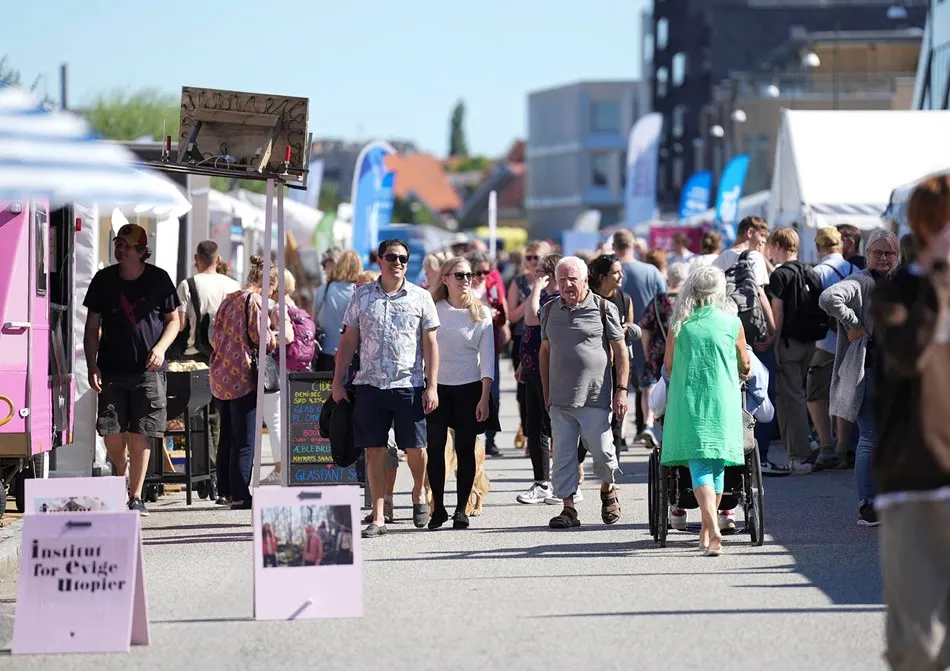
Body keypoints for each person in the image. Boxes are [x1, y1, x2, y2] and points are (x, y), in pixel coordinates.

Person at [871, 175, 950, 671]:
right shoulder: (898, 292)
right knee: (919, 649)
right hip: (916, 478)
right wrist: (937, 276)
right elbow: (907, 356)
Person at [333, 239, 440, 538]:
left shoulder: (421, 297)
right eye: (391, 257)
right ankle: (378, 515)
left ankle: (418, 492)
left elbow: (431, 345)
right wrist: (337, 380)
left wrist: (432, 386)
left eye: (403, 258)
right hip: (370, 384)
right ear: (379, 260)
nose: (398, 263)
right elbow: (348, 341)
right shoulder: (362, 296)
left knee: (416, 449)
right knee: (374, 451)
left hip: (409, 384)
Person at [83, 223, 181, 515]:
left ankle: (135, 496)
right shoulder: (103, 280)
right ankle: (121, 468)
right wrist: (91, 364)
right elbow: (91, 327)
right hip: (111, 368)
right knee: (110, 432)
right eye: (117, 243)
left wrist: (161, 348)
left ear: (141, 251)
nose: (119, 248)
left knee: (142, 433)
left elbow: (174, 321)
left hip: (148, 371)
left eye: (126, 244)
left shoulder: (159, 279)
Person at [661, 266, 751, 556]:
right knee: (717, 463)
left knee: (700, 464)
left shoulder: (680, 324)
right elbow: (745, 364)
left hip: (690, 398)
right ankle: (711, 529)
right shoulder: (732, 322)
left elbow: (669, 365)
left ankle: (709, 530)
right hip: (723, 397)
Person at [819, 229, 900, 526]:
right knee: (869, 438)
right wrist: (853, 323)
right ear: (867, 255)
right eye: (877, 252)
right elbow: (828, 297)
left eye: (889, 253)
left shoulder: (900, 282)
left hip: (899, 376)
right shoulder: (861, 280)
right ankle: (868, 504)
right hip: (870, 372)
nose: (883, 258)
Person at [540, 257, 629, 530]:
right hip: (560, 399)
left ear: (585, 280)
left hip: (594, 396)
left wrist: (621, 391)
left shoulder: (604, 308)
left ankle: (607, 488)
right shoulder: (548, 310)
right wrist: (546, 393)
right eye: (562, 279)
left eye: (573, 279)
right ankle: (568, 509)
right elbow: (544, 352)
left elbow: (621, 351)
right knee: (564, 456)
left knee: (603, 452)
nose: (567, 285)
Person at [209, 256, 290, 508]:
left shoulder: (229, 298)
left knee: (228, 437)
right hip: (243, 374)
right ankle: (240, 494)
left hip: (221, 372)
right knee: (245, 438)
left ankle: (223, 490)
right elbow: (262, 341)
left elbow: (215, 335)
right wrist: (275, 337)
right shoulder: (254, 301)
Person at [426, 256, 496, 530]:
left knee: (465, 450)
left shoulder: (481, 313)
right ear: (445, 279)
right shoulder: (433, 309)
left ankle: (461, 509)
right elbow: (424, 350)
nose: (466, 279)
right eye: (459, 275)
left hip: (470, 388)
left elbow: (487, 358)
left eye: (469, 275)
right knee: (435, 450)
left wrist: (485, 396)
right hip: (437, 387)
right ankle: (438, 509)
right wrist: (426, 385)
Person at [766, 228, 818, 474]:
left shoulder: (780, 274)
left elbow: (778, 313)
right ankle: (810, 446)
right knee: (803, 397)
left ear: (778, 245)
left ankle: (799, 456)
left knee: (791, 399)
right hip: (811, 343)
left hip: (789, 344)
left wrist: (774, 345)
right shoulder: (810, 270)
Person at [808, 227, 860, 472]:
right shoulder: (856, 271)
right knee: (845, 394)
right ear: (841, 245)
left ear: (819, 247)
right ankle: (843, 448)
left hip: (826, 342)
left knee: (815, 393)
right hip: (854, 340)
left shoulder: (817, 272)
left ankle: (827, 446)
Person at [515, 253, 563, 504]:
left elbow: (532, 319)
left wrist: (535, 288)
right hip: (532, 369)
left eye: (541, 270)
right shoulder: (543, 296)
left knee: (551, 427)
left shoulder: (556, 299)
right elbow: (529, 332)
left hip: (550, 372)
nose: (536, 273)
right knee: (534, 428)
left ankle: (561, 483)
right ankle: (541, 481)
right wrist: (524, 362)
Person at [614, 229, 667, 446]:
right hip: (649, 336)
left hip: (618, 336)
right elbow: (664, 301)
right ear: (633, 245)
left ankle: (622, 434)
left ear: (614, 247)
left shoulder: (612, 271)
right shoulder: (651, 271)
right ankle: (647, 425)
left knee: (621, 386)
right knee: (649, 385)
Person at [589, 254, 639, 453]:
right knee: (591, 417)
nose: (621, 276)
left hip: (619, 363)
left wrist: (627, 328)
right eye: (616, 272)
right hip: (593, 365)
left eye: (621, 271)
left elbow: (631, 331)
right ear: (603, 277)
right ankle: (580, 463)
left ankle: (612, 472)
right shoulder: (590, 298)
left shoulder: (624, 299)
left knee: (618, 414)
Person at [508, 241, 552, 454]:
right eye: (529, 258)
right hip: (522, 339)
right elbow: (512, 316)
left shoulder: (553, 285)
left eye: (537, 258)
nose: (533, 262)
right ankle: (529, 434)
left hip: (545, 341)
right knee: (524, 392)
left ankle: (548, 436)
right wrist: (532, 299)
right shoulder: (519, 282)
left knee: (548, 393)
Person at [259, 269, 298, 485]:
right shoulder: (292, 303)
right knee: (282, 418)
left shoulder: (278, 307)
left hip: (280, 367)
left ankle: (280, 467)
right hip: (293, 367)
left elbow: (287, 336)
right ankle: (283, 466)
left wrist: (268, 335)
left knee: (275, 419)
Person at [468, 251, 507, 457]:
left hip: (491, 345)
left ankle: (491, 439)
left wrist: (497, 315)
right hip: (468, 349)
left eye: (486, 272)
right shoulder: (463, 289)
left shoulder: (491, 286)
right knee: (471, 395)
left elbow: (502, 315)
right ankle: (471, 438)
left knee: (494, 395)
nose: (482, 276)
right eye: (479, 272)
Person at [314, 250, 363, 372]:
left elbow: (313, 318)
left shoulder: (324, 289)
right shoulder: (359, 293)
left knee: (324, 390)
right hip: (351, 354)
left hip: (325, 351)